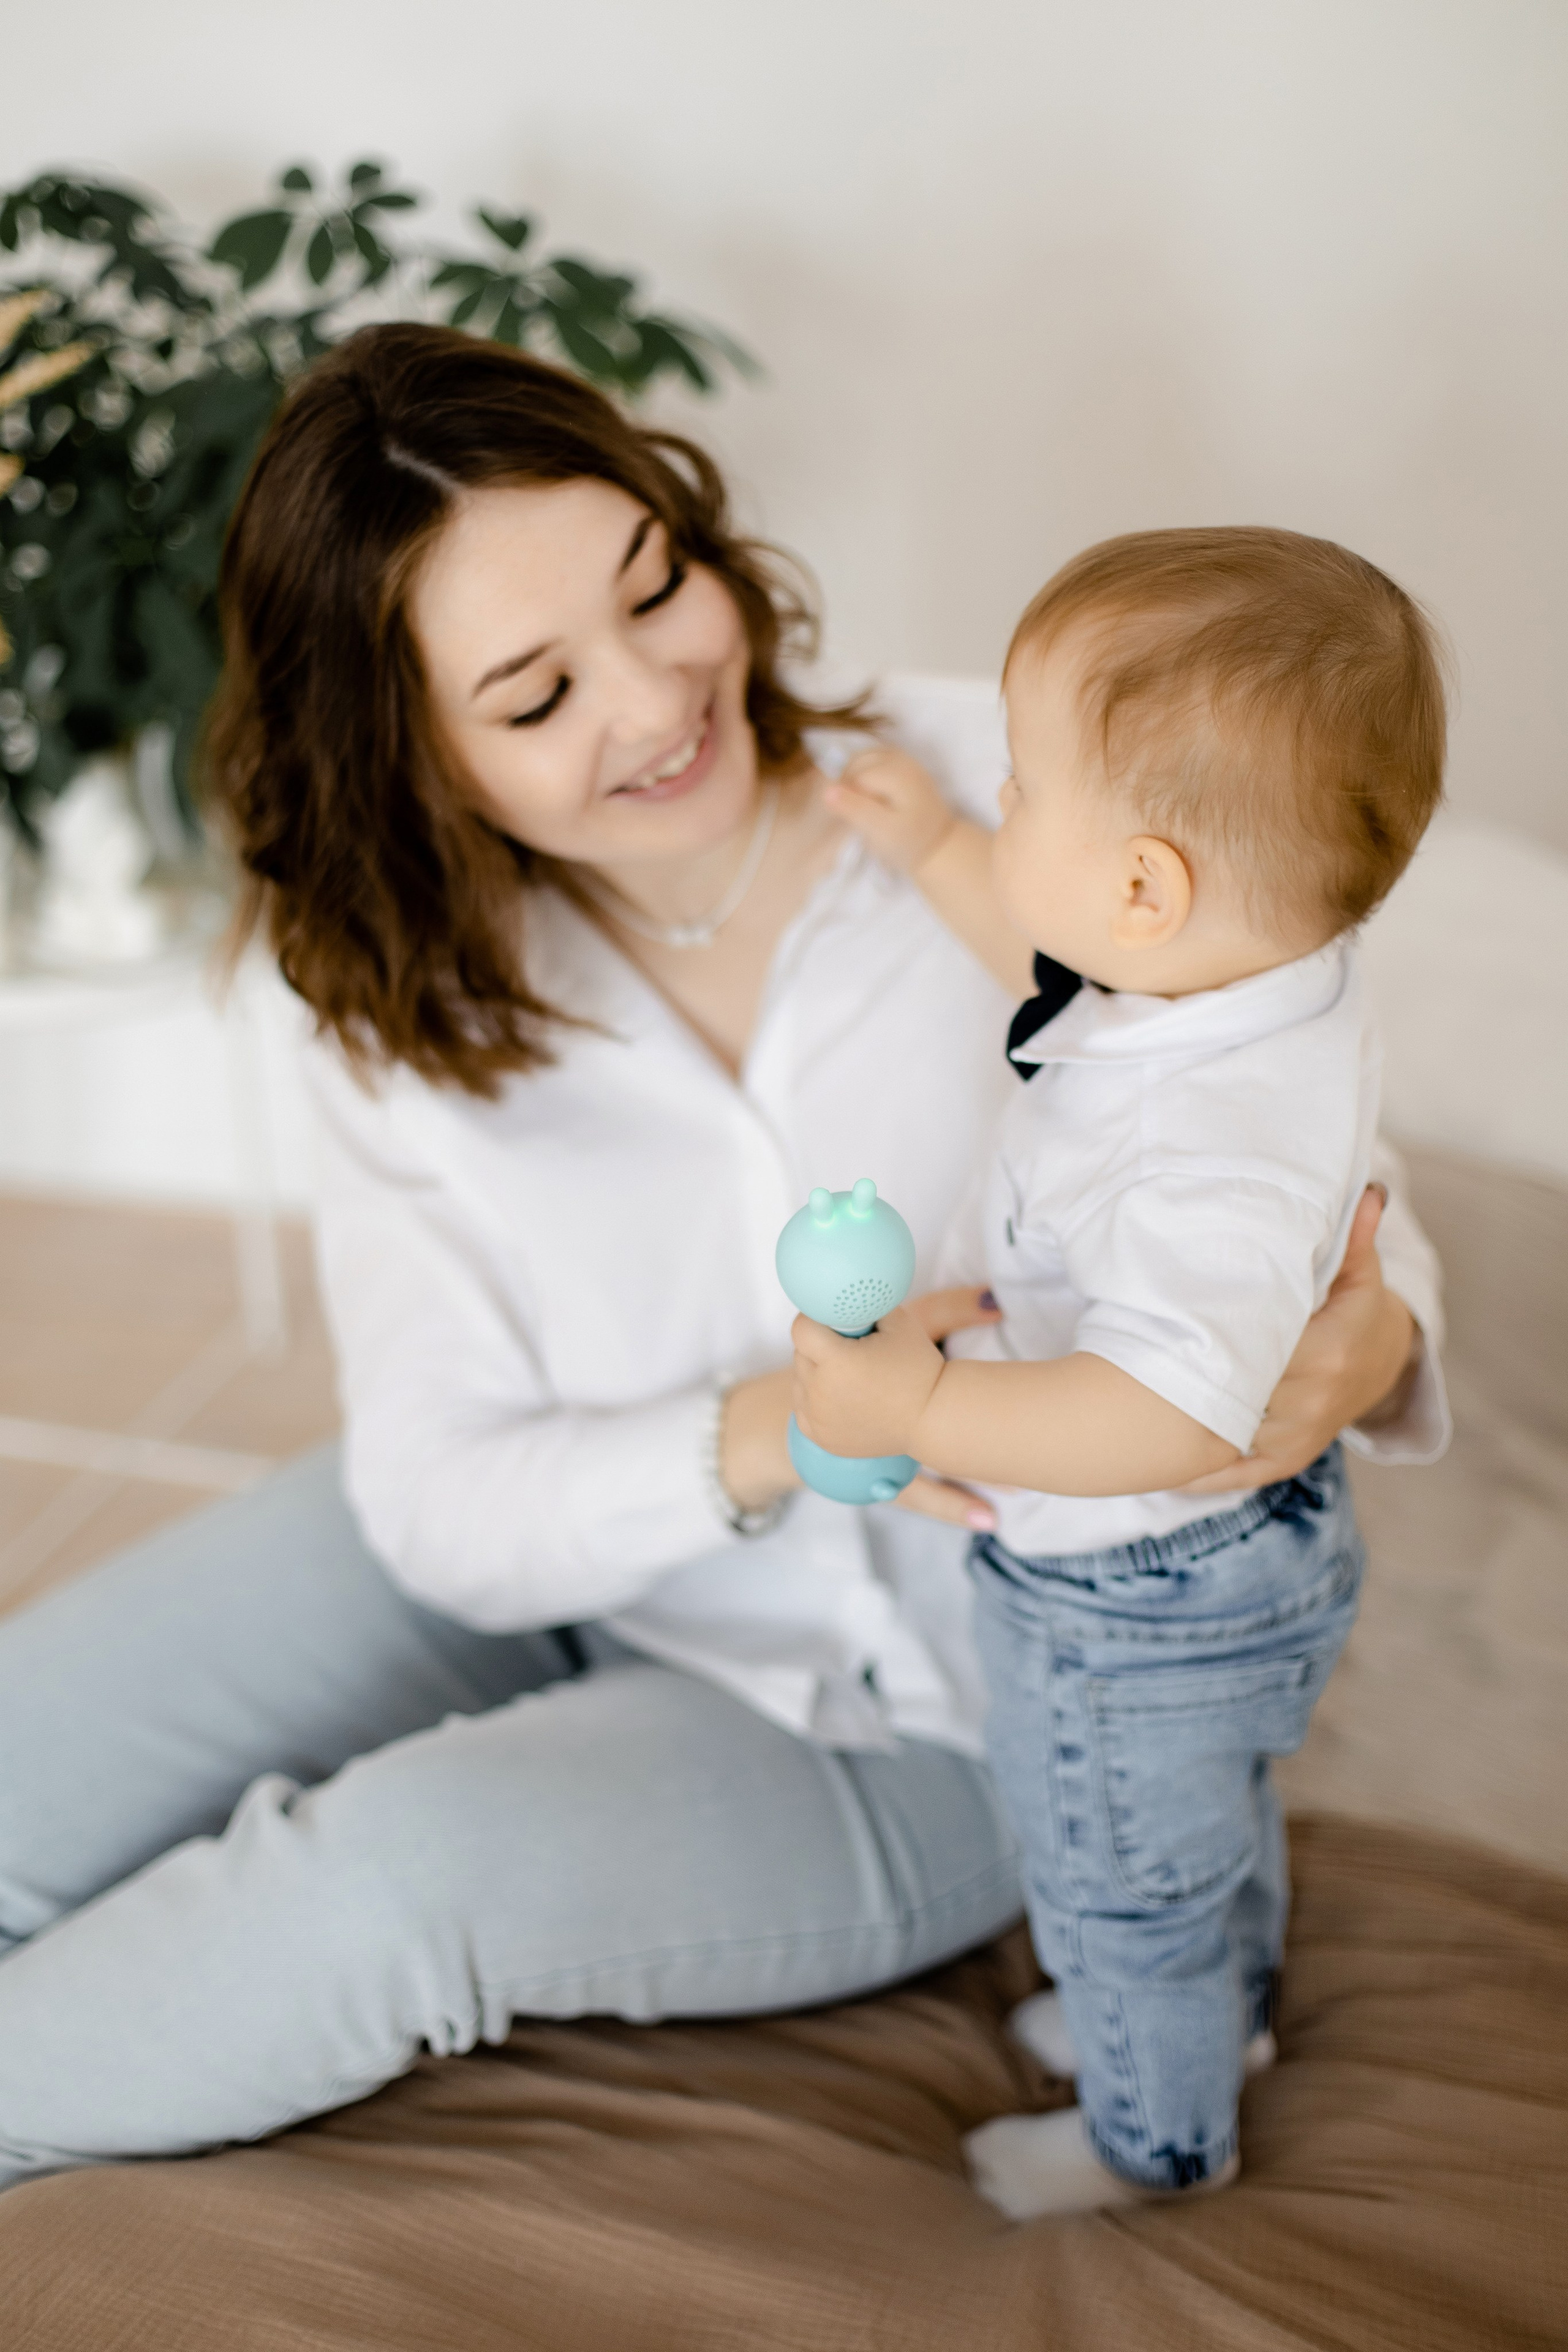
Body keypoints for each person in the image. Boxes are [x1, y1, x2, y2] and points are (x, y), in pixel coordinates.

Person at [0, 333, 1446, 2191]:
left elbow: (1323, 1176)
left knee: (364, 1890)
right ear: (410, 756)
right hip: (582, 1540)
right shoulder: (392, 982)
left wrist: (1376, 1341)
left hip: (933, 1704)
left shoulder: (1009, 795)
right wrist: (798, 1425)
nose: (661, 700)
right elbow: (444, 1508)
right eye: (533, 695)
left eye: (656, 586)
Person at [790, 526, 1449, 2217]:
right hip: (1249, 1561)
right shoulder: (1256, 985)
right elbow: (1057, 982)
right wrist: (945, 847)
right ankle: (1214, 2020)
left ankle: (1154, 2147)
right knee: (1208, 1815)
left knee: (1113, 1876)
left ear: (1145, 887)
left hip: (1134, 1586)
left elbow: (1163, 1411)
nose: (1001, 807)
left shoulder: (1202, 1154)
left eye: (1018, 790)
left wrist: (916, 1408)